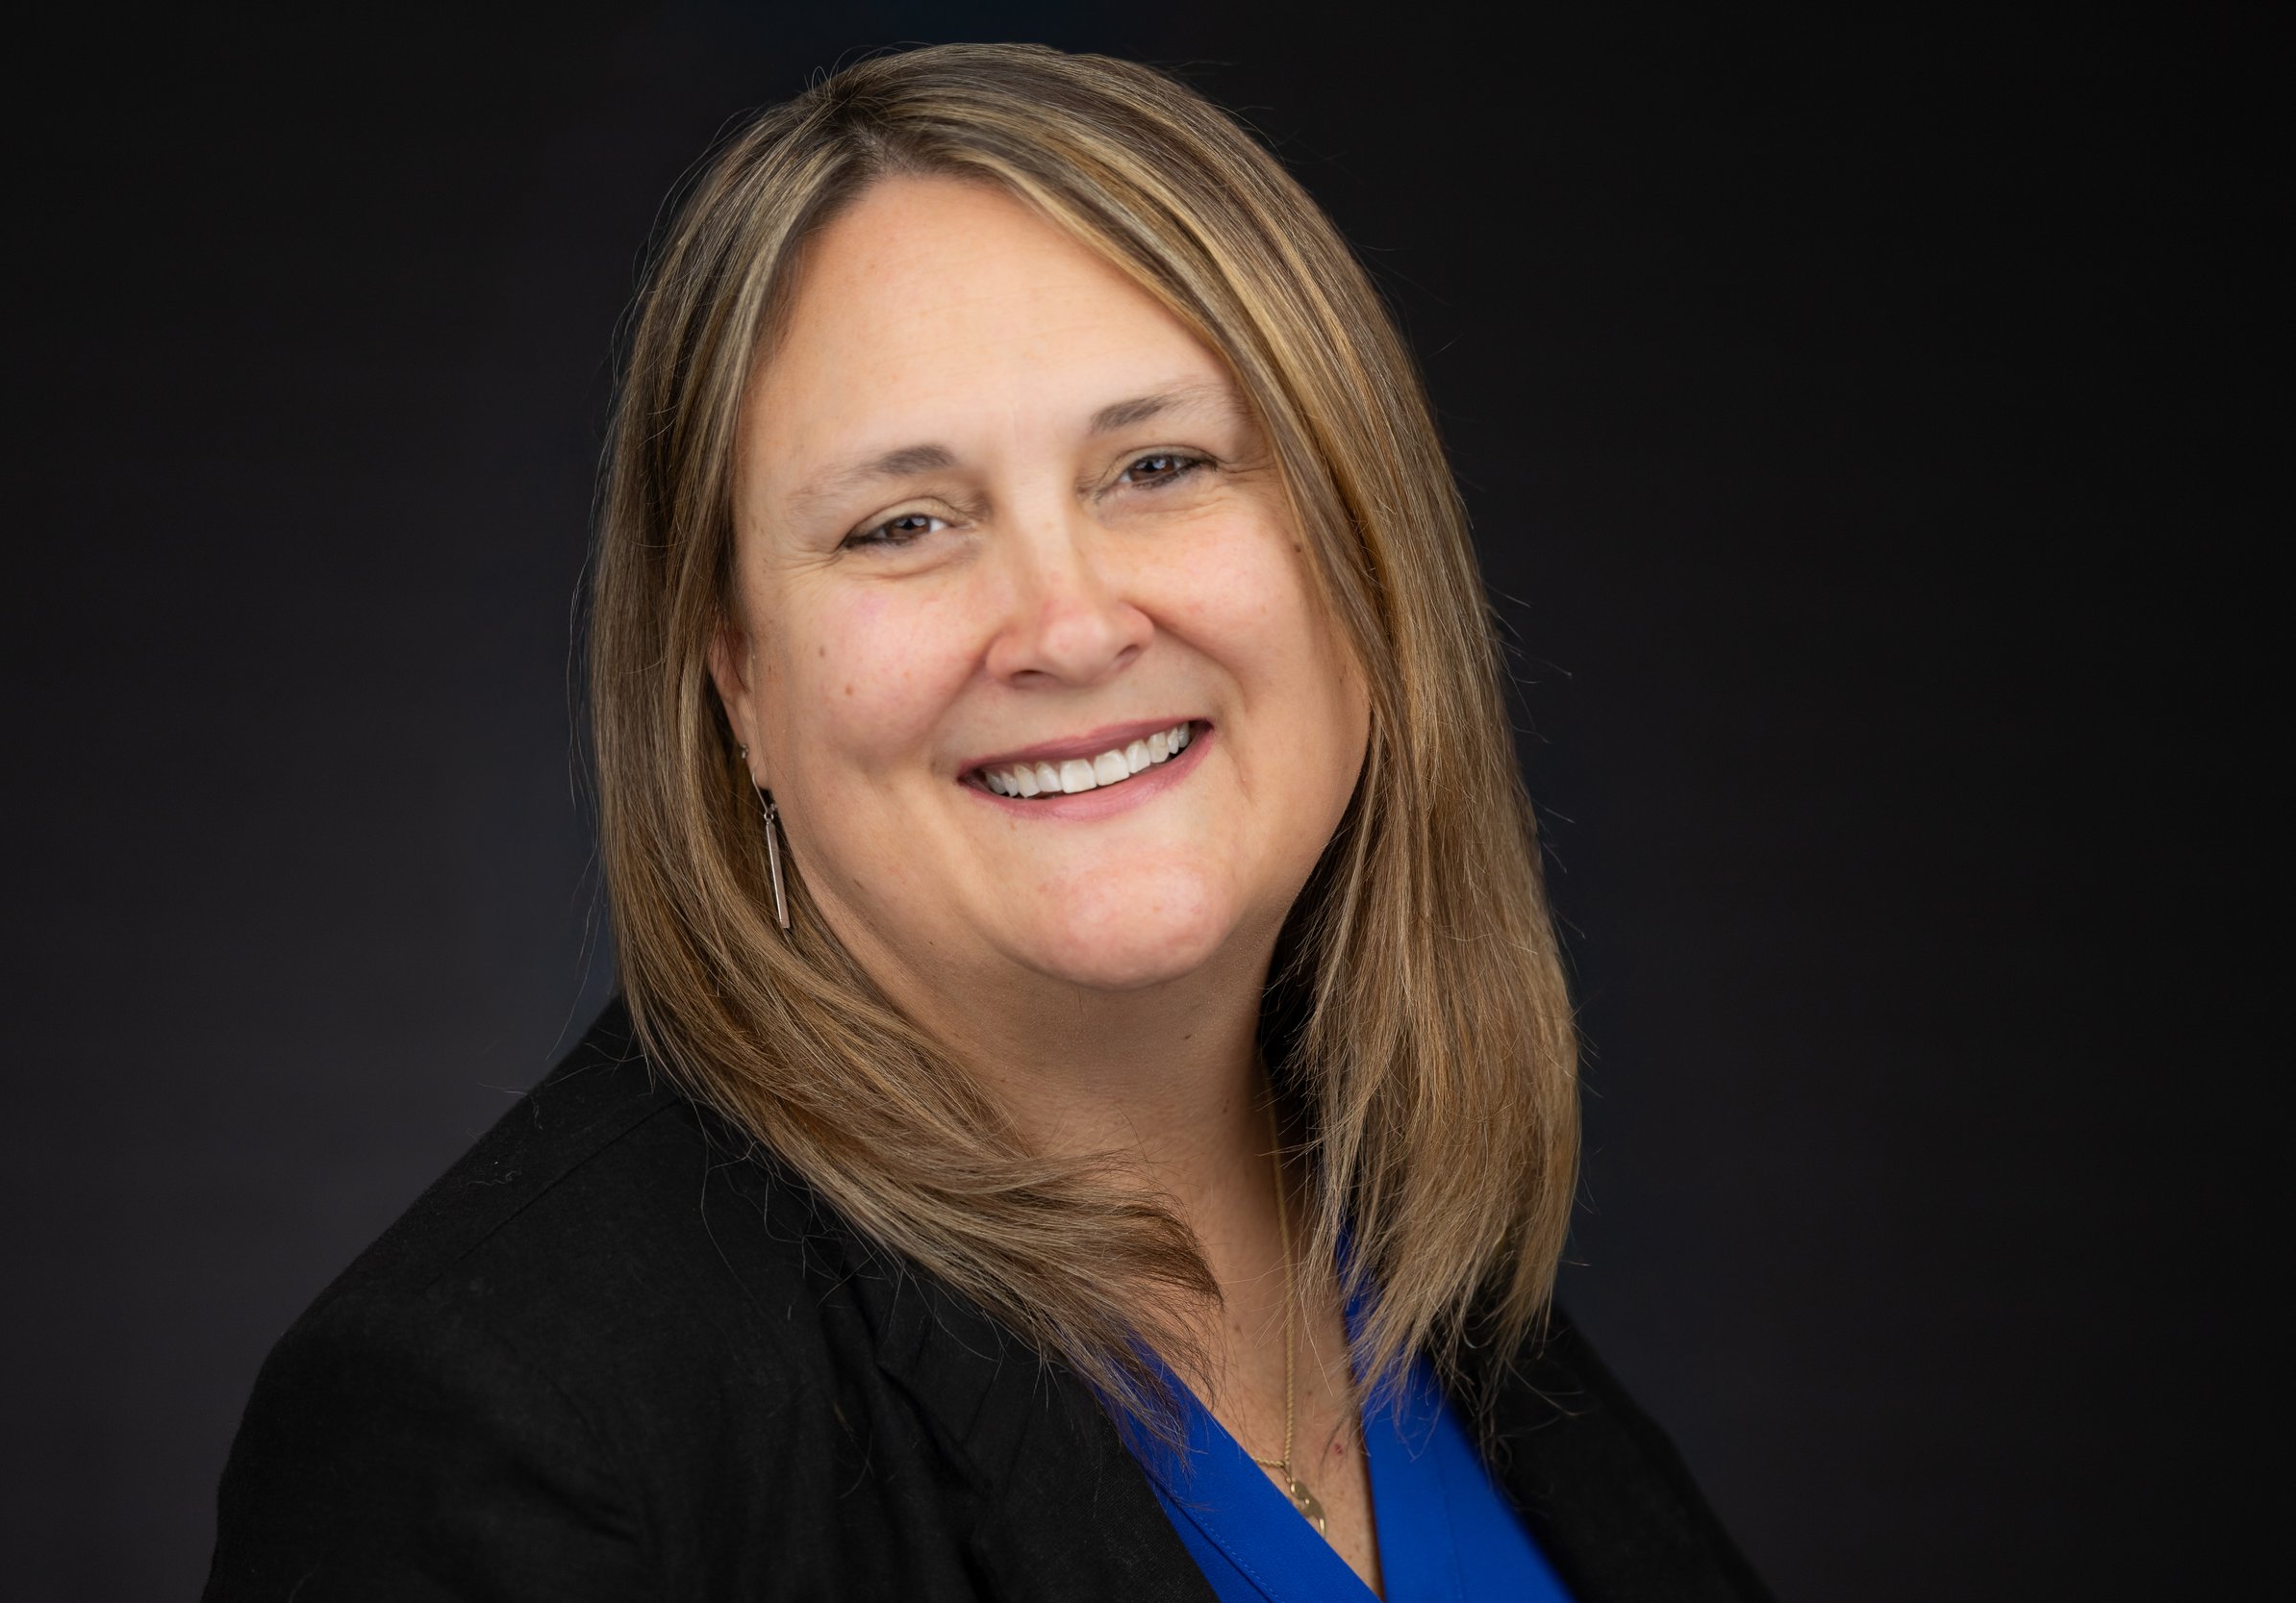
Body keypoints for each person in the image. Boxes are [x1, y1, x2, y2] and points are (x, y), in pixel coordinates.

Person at [205, 42, 1772, 1602]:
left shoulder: (1445, 1305)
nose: (1070, 625)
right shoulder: (498, 1427)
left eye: (1157, 466)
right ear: (737, 677)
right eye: (903, 524)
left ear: (1366, 551)